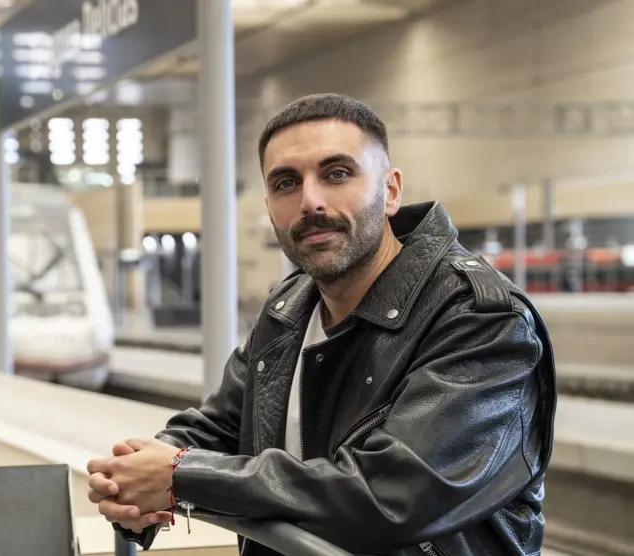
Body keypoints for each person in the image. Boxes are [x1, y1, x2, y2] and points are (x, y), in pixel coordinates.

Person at [85, 93, 557, 556]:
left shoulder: (481, 318)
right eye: (286, 183)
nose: (310, 200)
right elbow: (218, 427)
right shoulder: (288, 310)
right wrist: (134, 478)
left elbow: (393, 496)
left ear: (389, 191)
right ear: (269, 205)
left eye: (336, 174)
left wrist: (179, 476)